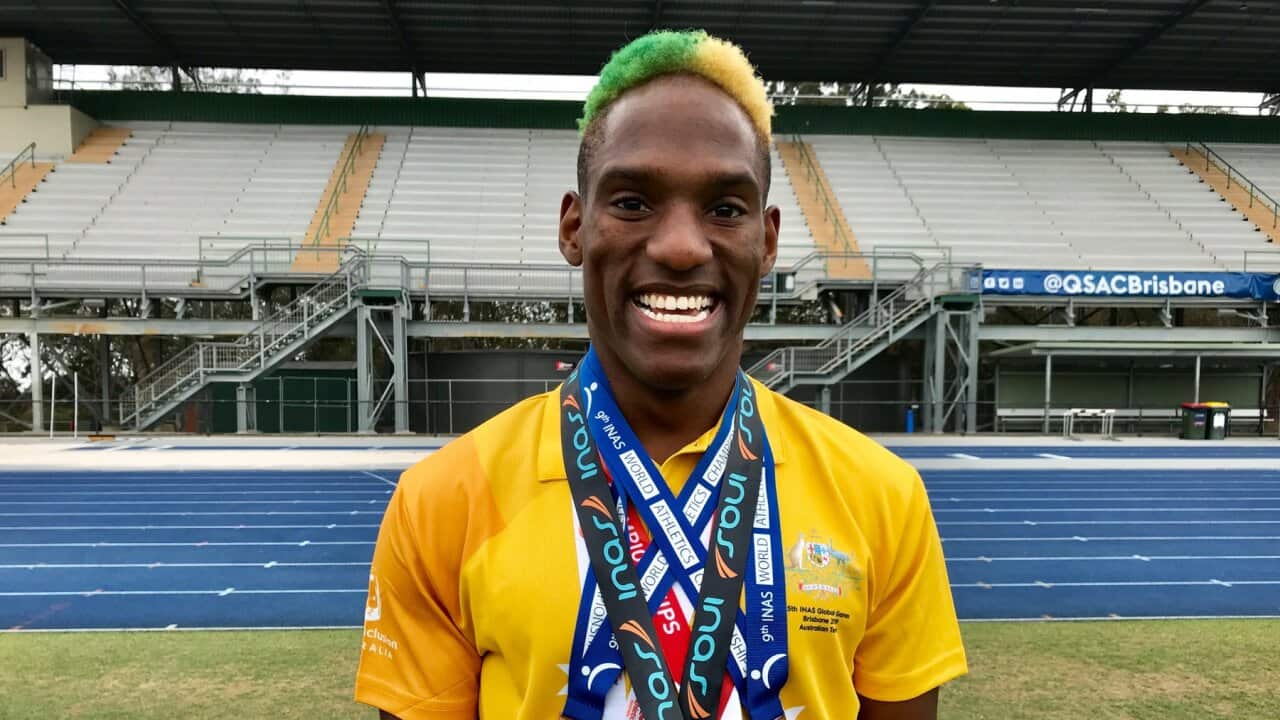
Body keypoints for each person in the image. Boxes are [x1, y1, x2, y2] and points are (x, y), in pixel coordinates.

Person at [355, 30, 967, 720]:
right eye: (633, 202)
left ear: (766, 241)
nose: (680, 246)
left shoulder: (881, 496)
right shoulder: (442, 502)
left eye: (725, 209)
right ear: (574, 226)